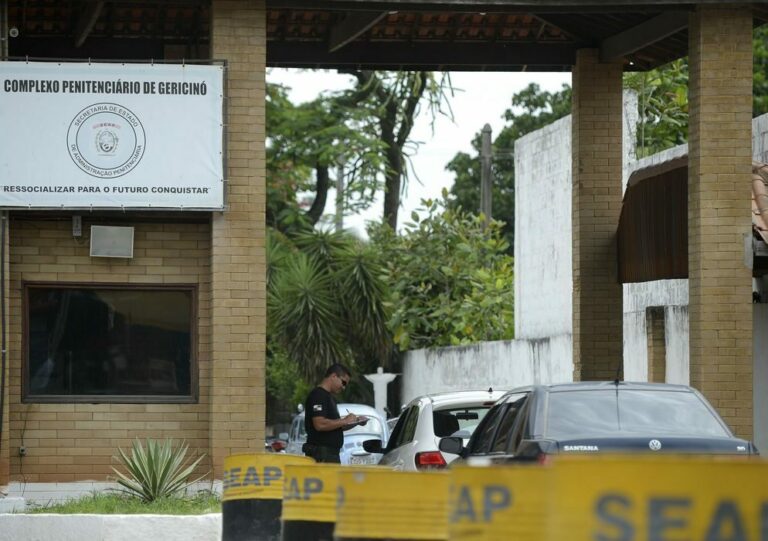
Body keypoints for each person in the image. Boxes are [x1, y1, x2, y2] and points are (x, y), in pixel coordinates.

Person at [303, 363, 367, 463]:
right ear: (334, 376)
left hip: (330, 454)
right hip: (321, 455)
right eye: (343, 382)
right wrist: (345, 420)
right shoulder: (318, 395)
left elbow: (335, 426)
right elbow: (320, 424)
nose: (343, 387)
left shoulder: (329, 397)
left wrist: (356, 422)